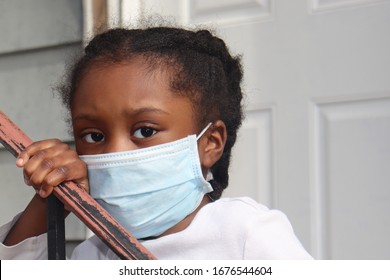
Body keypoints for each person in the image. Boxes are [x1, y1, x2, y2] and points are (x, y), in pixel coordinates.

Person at [0, 25, 312, 259]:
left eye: (145, 131)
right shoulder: (91, 254)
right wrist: (51, 197)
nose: (115, 151)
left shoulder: (244, 233)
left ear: (210, 143)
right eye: (94, 136)